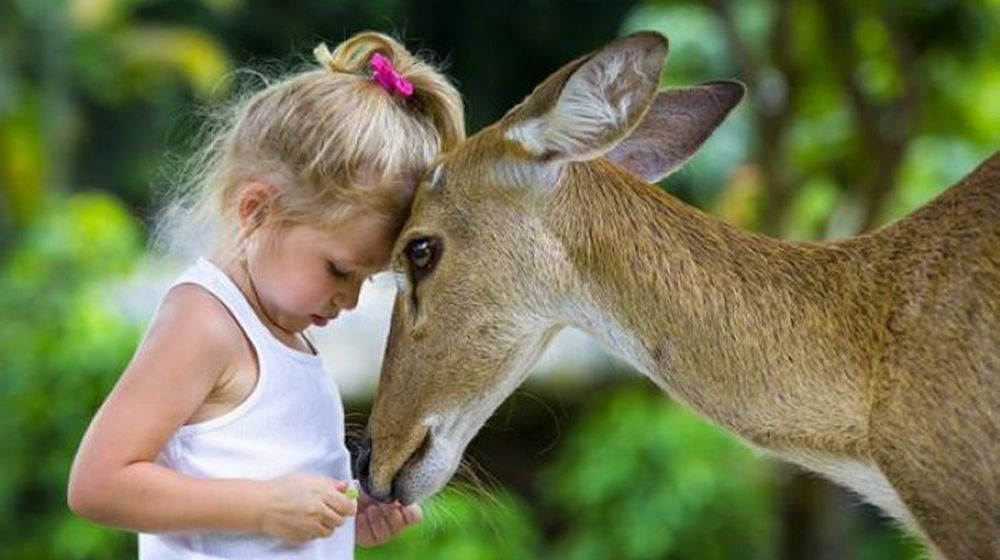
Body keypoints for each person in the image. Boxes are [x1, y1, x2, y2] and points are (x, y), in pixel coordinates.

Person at [67, 31, 465, 559]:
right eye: (339, 270)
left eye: (367, 279)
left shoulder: (289, 333)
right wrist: (260, 507)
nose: (349, 299)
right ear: (257, 211)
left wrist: (343, 518)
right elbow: (98, 484)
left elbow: (268, 497)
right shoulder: (205, 321)